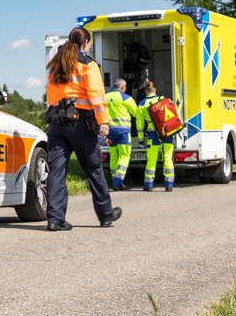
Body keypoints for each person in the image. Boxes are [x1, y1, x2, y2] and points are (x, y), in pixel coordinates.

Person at [43, 27, 122, 231]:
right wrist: (103, 121)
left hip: (57, 122)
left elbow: (51, 95)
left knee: (57, 172)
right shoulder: (87, 63)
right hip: (80, 121)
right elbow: (96, 94)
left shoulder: (56, 63)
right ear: (85, 42)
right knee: (94, 168)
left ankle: (55, 219)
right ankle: (105, 215)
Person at [137, 79, 175, 191]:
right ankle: (169, 185)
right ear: (155, 89)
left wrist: (140, 140)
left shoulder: (142, 104)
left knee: (151, 159)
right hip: (166, 132)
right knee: (168, 157)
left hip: (152, 134)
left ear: (145, 91)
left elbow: (139, 124)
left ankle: (148, 185)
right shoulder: (162, 99)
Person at [104, 78, 138, 190]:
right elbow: (136, 113)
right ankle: (118, 181)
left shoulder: (106, 97)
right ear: (123, 87)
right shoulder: (126, 98)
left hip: (110, 132)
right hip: (123, 132)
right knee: (124, 155)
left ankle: (114, 180)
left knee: (113, 156)